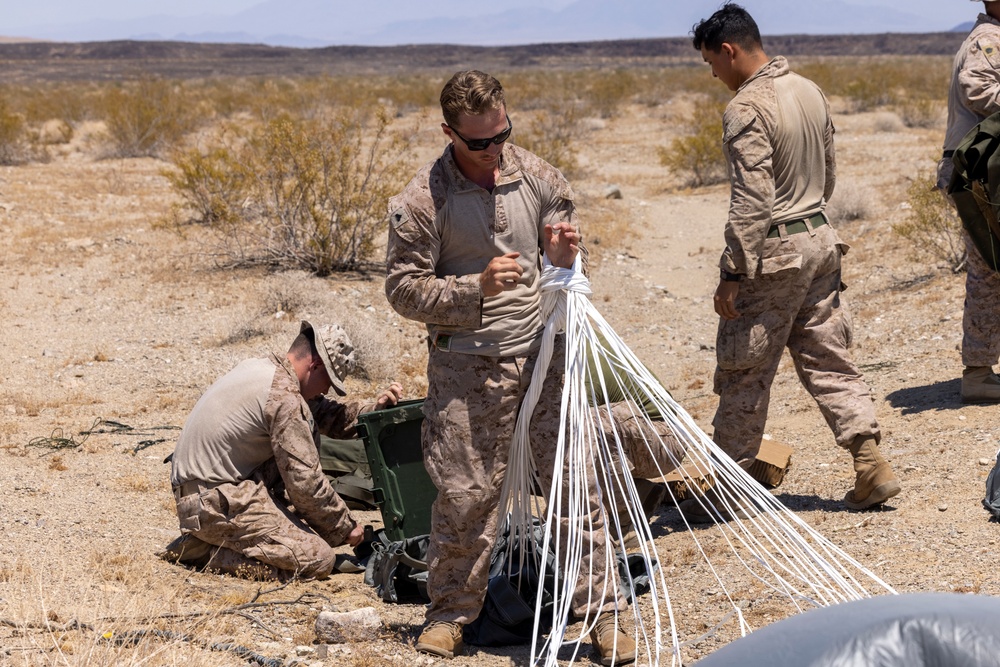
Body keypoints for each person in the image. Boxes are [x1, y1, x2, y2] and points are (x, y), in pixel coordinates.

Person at [385, 70, 635, 664]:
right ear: (449, 133)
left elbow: (573, 267)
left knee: (576, 484)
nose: (494, 150)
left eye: (502, 134)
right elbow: (402, 290)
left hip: (546, 357)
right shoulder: (423, 201)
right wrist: (474, 289)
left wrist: (564, 260)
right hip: (466, 369)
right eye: (479, 142)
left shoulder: (542, 178)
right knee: (466, 495)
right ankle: (450, 615)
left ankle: (602, 616)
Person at [682, 3, 900, 520]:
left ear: (729, 51)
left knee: (744, 370)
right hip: (821, 238)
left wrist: (733, 272)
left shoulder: (747, 108)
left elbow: (751, 200)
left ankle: (728, 488)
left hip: (774, 252)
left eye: (712, 62)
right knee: (828, 356)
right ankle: (871, 463)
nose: (713, 74)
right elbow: (827, 175)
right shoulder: (808, 89)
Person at [160, 321, 403, 580]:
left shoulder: (265, 370)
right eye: (329, 381)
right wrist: (347, 529)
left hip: (210, 493)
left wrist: (373, 413)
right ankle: (207, 551)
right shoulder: (283, 398)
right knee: (318, 559)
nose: (327, 389)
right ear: (315, 365)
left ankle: (221, 538)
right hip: (214, 503)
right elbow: (306, 484)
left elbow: (327, 414)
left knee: (313, 528)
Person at [937, 0, 1000, 404]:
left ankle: (979, 369)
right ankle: (977, 373)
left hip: (985, 172)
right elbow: (977, 89)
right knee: (988, 270)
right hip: (981, 176)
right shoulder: (990, 39)